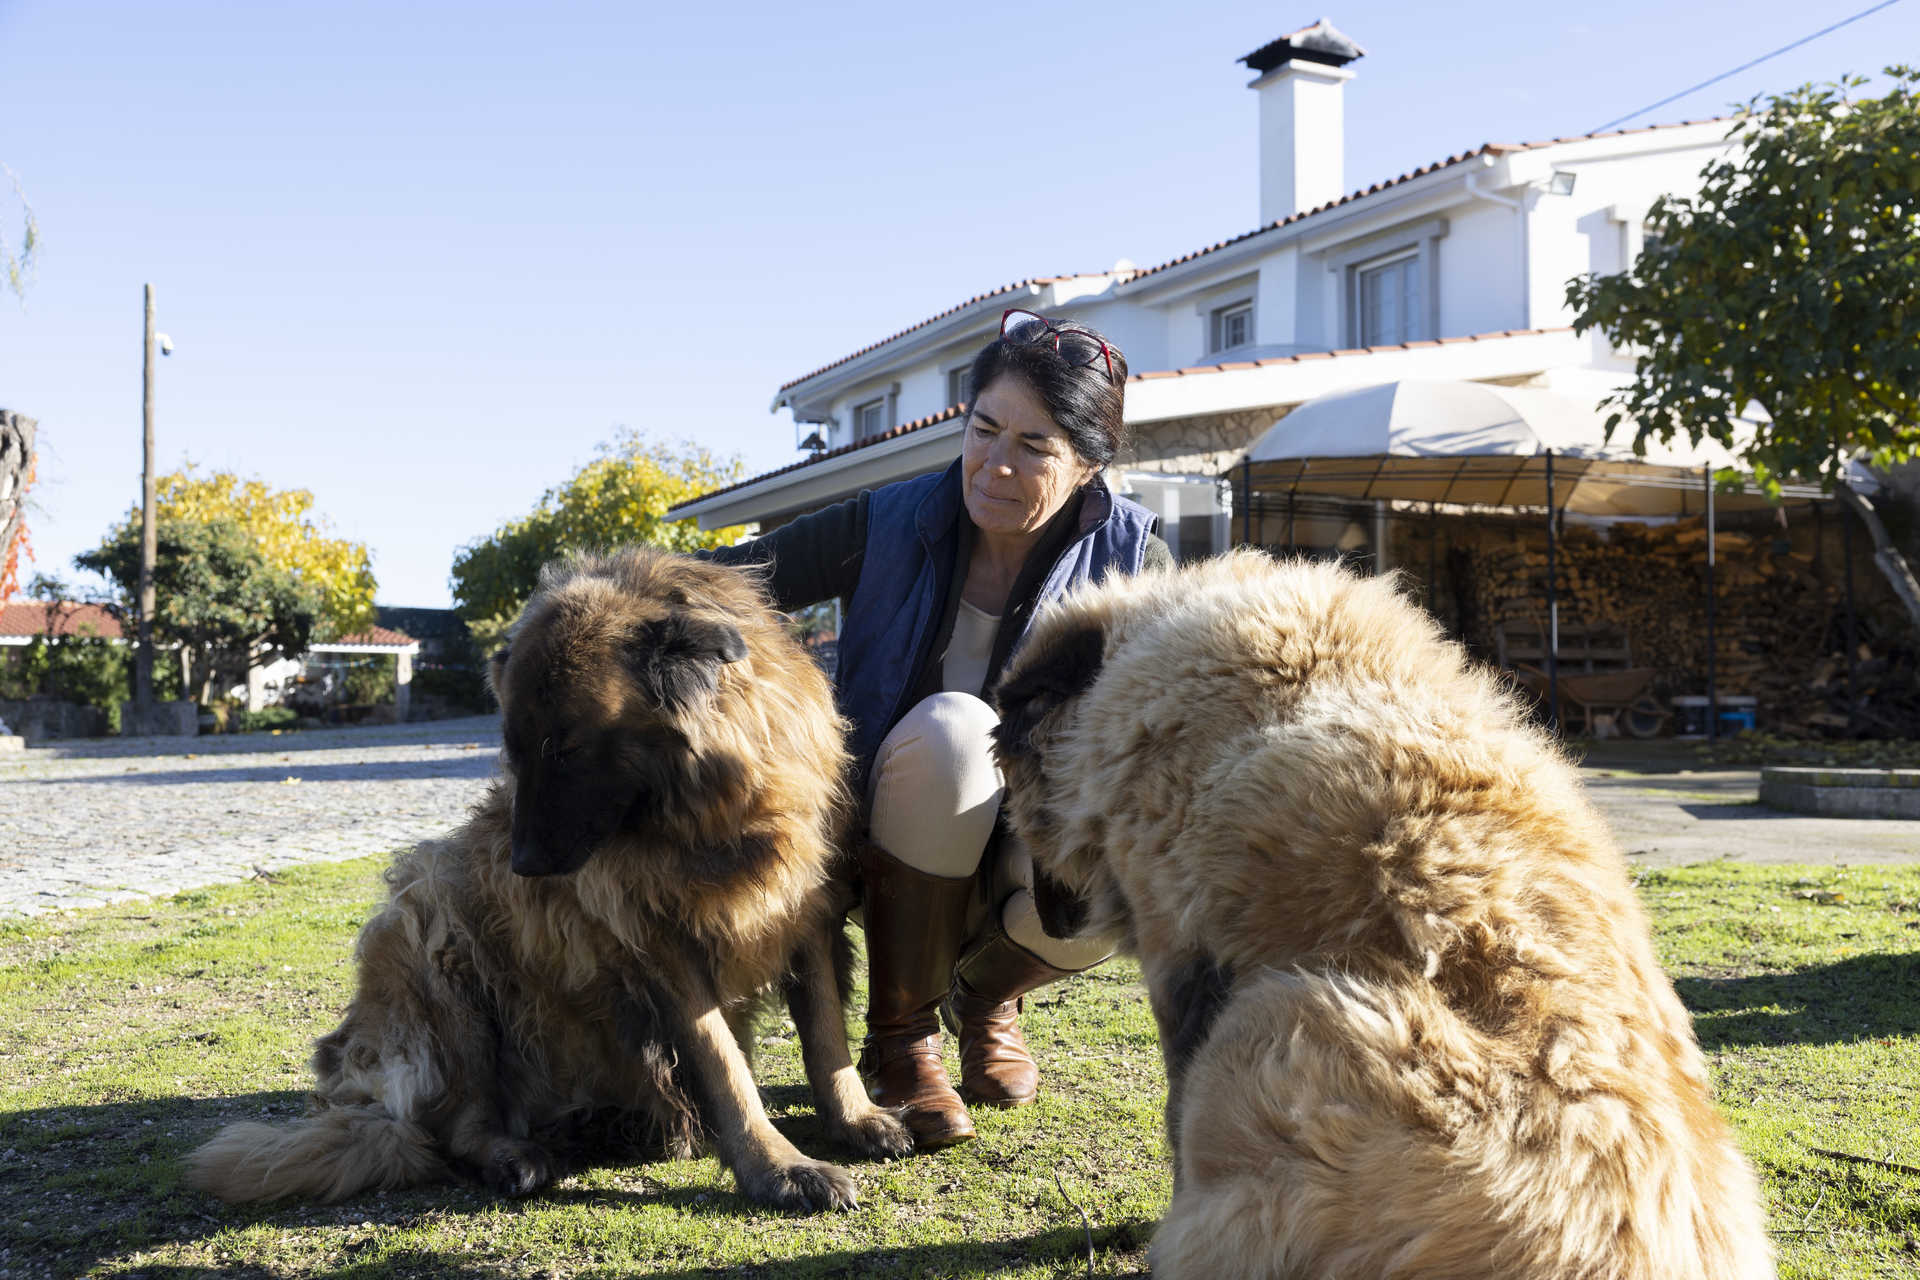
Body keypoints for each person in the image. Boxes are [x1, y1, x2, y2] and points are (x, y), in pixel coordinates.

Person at [704, 310, 1171, 1147]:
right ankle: (902, 1037)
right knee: (959, 731)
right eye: (984, 428)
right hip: (889, 832)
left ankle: (987, 998)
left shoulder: (1135, 557)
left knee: (1139, 835)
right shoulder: (886, 523)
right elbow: (715, 586)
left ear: (1088, 465)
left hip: (1034, 851)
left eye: (1034, 447)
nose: (996, 462)